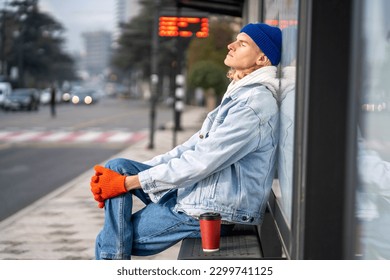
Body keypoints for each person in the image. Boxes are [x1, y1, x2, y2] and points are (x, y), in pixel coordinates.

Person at [90, 22, 282, 260]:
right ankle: (113, 254)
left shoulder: (253, 103)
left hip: (212, 209)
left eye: (242, 44)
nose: (230, 45)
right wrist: (131, 177)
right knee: (116, 167)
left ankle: (111, 257)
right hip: (199, 191)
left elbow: (201, 161)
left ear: (262, 59)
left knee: (107, 240)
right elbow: (191, 147)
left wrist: (129, 184)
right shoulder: (240, 92)